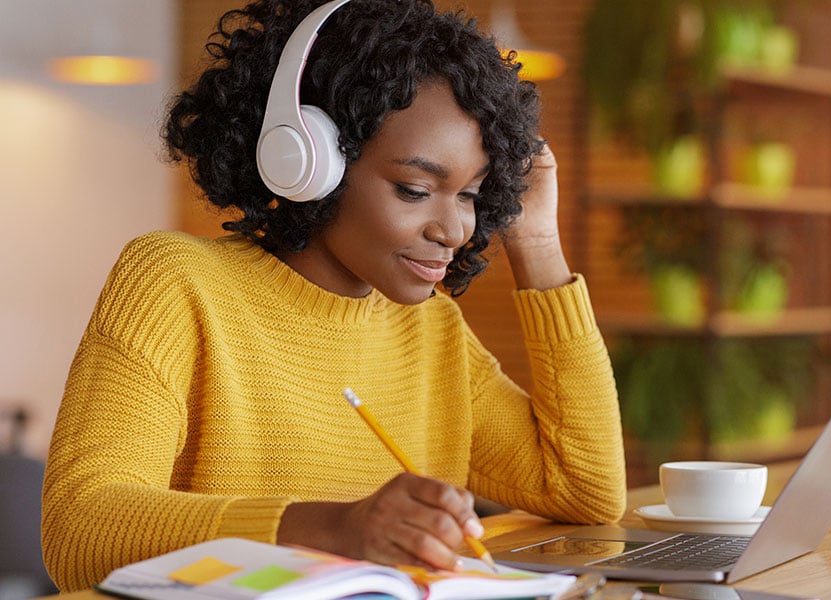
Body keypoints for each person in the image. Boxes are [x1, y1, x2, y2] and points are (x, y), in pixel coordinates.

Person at [40, 0, 626, 592]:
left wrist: (538, 241)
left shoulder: (431, 330)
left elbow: (586, 489)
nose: (454, 230)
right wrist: (334, 528)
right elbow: (81, 529)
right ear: (308, 160)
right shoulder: (176, 284)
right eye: (415, 189)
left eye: (472, 195)